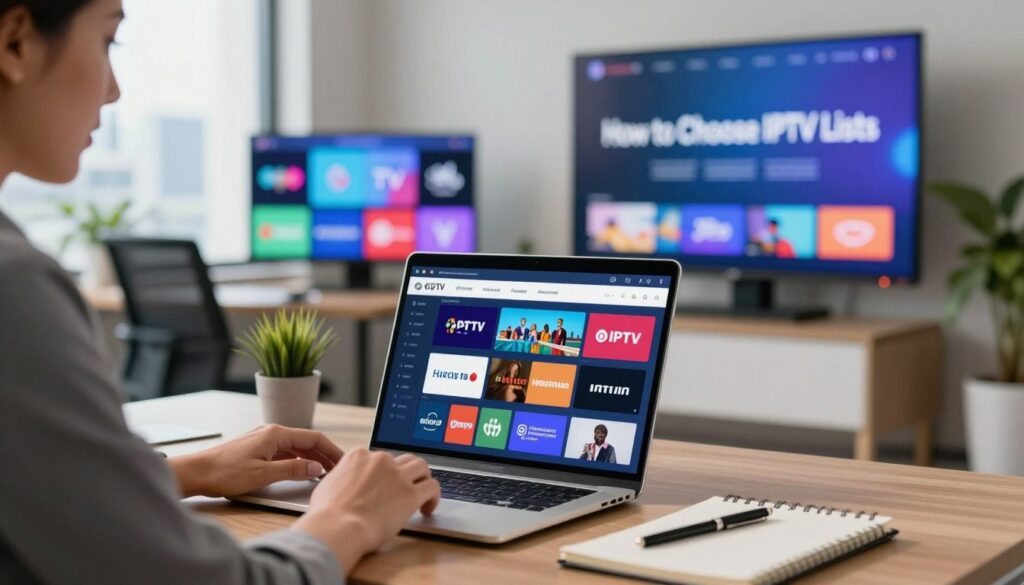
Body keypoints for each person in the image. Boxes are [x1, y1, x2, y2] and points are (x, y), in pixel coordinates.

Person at [0, 1, 439, 584]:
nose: (113, 91)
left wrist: (190, 470)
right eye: (109, 41)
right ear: (15, 43)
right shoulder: (15, 286)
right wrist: (349, 517)